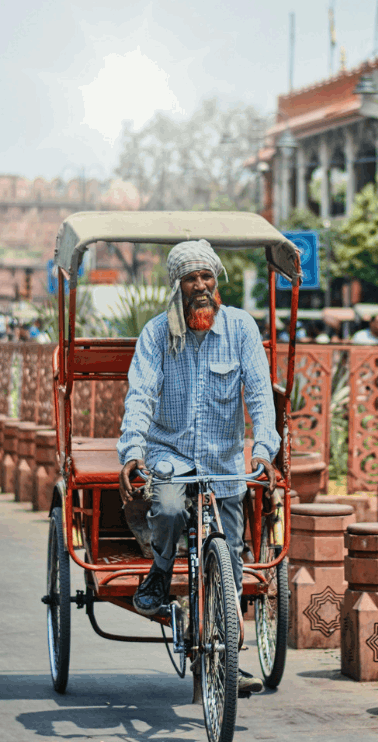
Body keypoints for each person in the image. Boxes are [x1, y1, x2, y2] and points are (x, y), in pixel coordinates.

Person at [116, 239, 280, 697]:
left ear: (216, 281)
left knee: (229, 561)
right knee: (167, 508)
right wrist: (132, 451)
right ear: (179, 286)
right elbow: (141, 396)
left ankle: (229, 658)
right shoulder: (156, 334)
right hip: (170, 455)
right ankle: (162, 571)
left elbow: (260, 397)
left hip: (225, 463)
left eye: (207, 277)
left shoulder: (241, 329)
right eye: (192, 279)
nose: (201, 286)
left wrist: (264, 449)